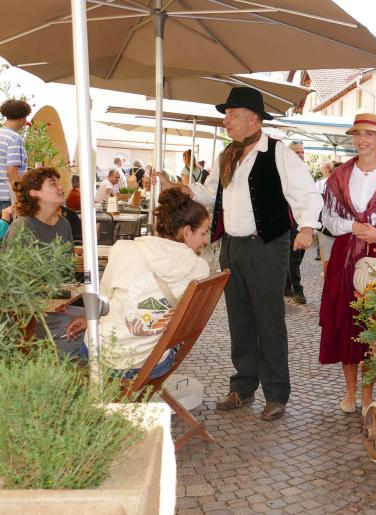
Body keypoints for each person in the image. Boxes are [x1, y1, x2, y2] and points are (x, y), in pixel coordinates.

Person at [154, 87, 322, 421]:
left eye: (232, 114)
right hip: (231, 245)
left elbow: (307, 193)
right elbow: (210, 194)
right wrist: (181, 188)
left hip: (267, 246)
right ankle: (243, 387)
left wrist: (307, 228)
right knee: (239, 318)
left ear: (253, 118)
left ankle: (276, 394)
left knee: (269, 319)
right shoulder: (227, 155)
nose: (226, 120)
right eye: (226, 115)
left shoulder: (277, 152)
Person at [64, 189, 211, 378]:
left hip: (104, 357)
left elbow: (103, 299)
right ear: (186, 231)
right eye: (203, 233)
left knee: (80, 342)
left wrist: (88, 319)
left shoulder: (123, 250)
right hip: (151, 364)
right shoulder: (199, 269)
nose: (205, 240)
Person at [319, 113, 376, 414]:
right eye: (358, 134)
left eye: (369, 134)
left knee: (375, 324)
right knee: (346, 321)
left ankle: (369, 393)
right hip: (344, 255)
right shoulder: (339, 176)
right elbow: (328, 218)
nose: (362, 140)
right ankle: (350, 392)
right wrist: (351, 226)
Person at [5, 167, 78, 356]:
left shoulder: (63, 225)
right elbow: (18, 287)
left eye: (59, 182)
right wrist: (52, 302)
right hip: (23, 318)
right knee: (88, 331)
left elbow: (66, 274)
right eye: (53, 183)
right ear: (34, 193)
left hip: (55, 306)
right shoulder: (22, 228)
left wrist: (61, 300)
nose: (60, 187)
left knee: (99, 321)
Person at [285, 140, 308, 305]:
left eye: (302, 152)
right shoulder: (285, 171)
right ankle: (298, 289)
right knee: (294, 254)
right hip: (289, 220)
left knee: (299, 255)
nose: (300, 155)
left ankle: (286, 286)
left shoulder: (304, 170)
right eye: (296, 152)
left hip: (303, 220)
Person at [0, 98, 31, 210]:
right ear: (21, 118)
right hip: (7, 197)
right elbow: (12, 171)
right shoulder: (14, 138)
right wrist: (20, 196)